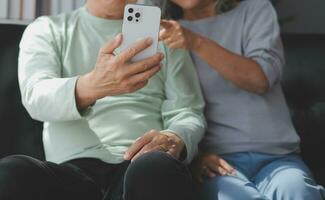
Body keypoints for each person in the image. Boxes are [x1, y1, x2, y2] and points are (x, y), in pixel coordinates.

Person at [0, 0, 206, 200]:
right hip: (71, 170)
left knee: (155, 168)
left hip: (142, 162)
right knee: (11, 172)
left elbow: (187, 110)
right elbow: (35, 98)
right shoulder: (47, 29)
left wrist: (175, 137)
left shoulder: (166, 34)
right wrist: (94, 85)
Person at [157, 0, 325, 199]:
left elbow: (259, 80)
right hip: (217, 163)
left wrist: (196, 42)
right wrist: (196, 157)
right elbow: (170, 108)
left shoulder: (255, 9)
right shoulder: (166, 33)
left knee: (298, 191)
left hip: (277, 157)